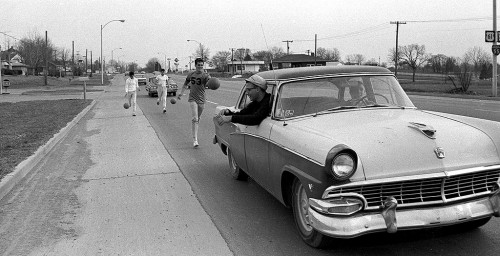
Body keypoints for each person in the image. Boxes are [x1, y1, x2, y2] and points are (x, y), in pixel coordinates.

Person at [177, 58, 211, 148]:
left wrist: (211, 82)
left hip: (202, 99)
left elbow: (209, 84)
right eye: (198, 65)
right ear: (195, 65)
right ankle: (195, 139)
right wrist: (181, 93)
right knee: (195, 118)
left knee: (198, 118)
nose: (200, 66)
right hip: (192, 98)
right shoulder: (191, 74)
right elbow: (185, 84)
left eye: (201, 65)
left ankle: (195, 133)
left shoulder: (205, 75)